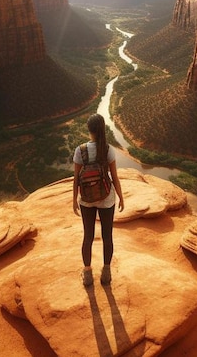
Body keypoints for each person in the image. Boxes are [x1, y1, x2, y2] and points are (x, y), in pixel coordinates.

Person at [73, 113, 124, 287]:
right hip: (106, 198)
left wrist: (74, 200)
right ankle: (106, 273)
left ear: (89, 129)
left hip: (86, 199)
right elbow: (115, 177)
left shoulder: (80, 150)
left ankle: (88, 274)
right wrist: (121, 197)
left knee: (88, 237)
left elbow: (76, 179)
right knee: (107, 236)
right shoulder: (108, 149)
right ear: (103, 129)